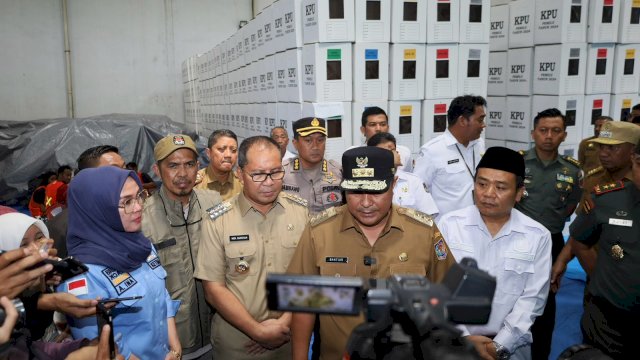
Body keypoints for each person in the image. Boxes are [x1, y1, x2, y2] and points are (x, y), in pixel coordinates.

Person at [287, 146, 456, 360]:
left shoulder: (423, 232)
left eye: (376, 191)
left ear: (394, 185)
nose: (366, 203)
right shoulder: (319, 232)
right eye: (356, 192)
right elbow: (303, 306)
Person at [194, 136, 309, 359]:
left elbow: (309, 274)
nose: (268, 182)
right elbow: (213, 289)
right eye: (257, 174)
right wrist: (257, 331)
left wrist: (283, 323)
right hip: (239, 343)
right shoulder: (219, 220)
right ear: (240, 174)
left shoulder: (300, 212)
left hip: (291, 335)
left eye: (276, 172)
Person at [437, 147, 552, 360]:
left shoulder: (538, 235)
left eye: (500, 187)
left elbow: (533, 299)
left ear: (519, 193)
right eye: (482, 184)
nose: (488, 194)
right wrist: (463, 338)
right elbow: (437, 285)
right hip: (455, 343)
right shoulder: (448, 225)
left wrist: (499, 346)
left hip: (510, 348)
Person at [58, 166, 182, 359]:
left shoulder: (142, 246)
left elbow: (162, 296)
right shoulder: (81, 273)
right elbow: (98, 343)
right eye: (127, 202)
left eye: (140, 195)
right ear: (97, 209)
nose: (139, 206)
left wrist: (174, 348)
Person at [143, 134, 222, 359]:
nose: (182, 174)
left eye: (189, 164)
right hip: (172, 344)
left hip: (218, 334)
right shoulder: (143, 220)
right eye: (173, 166)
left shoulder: (215, 203)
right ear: (157, 170)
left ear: (198, 166)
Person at [513, 108, 581, 359]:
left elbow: (570, 207)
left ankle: (540, 354)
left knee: (546, 301)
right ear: (533, 133)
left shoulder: (573, 170)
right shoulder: (518, 163)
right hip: (517, 239)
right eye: (543, 130)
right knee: (512, 294)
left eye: (555, 131)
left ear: (564, 135)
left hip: (551, 241)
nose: (549, 136)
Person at [566, 139, 640, 359]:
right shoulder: (607, 199)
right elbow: (580, 241)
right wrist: (602, 276)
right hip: (608, 321)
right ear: (633, 162)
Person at [551, 121, 640, 292]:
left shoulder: (636, 187)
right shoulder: (594, 179)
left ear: (633, 151)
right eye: (602, 147)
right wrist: (562, 261)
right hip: (596, 272)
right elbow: (582, 228)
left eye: (613, 148)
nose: (604, 153)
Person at [413, 95, 487, 218]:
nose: (484, 125)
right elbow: (417, 193)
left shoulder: (479, 144)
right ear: (462, 121)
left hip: (477, 224)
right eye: (480, 120)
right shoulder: (431, 151)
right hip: (446, 230)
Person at [48, 144, 126, 258]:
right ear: (87, 179)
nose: (126, 176)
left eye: (124, 168)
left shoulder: (132, 213)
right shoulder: (61, 228)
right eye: (114, 170)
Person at [367, 132, 439, 216]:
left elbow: (429, 215)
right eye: (385, 151)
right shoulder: (367, 182)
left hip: (411, 228)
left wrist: (402, 214)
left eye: (393, 149)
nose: (394, 153)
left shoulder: (413, 181)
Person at [282, 117, 343, 214]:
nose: (315, 146)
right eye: (308, 140)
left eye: (320, 140)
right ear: (295, 144)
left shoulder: (338, 172)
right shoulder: (282, 172)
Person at [354, 106, 413, 172]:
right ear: (363, 130)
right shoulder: (353, 154)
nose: (378, 129)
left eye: (383, 124)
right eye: (373, 125)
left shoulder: (404, 153)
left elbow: (408, 178)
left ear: (388, 128)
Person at [195, 129, 243, 200]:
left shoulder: (242, 183)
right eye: (221, 149)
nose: (228, 155)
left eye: (233, 150)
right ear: (208, 153)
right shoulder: (195, 184)